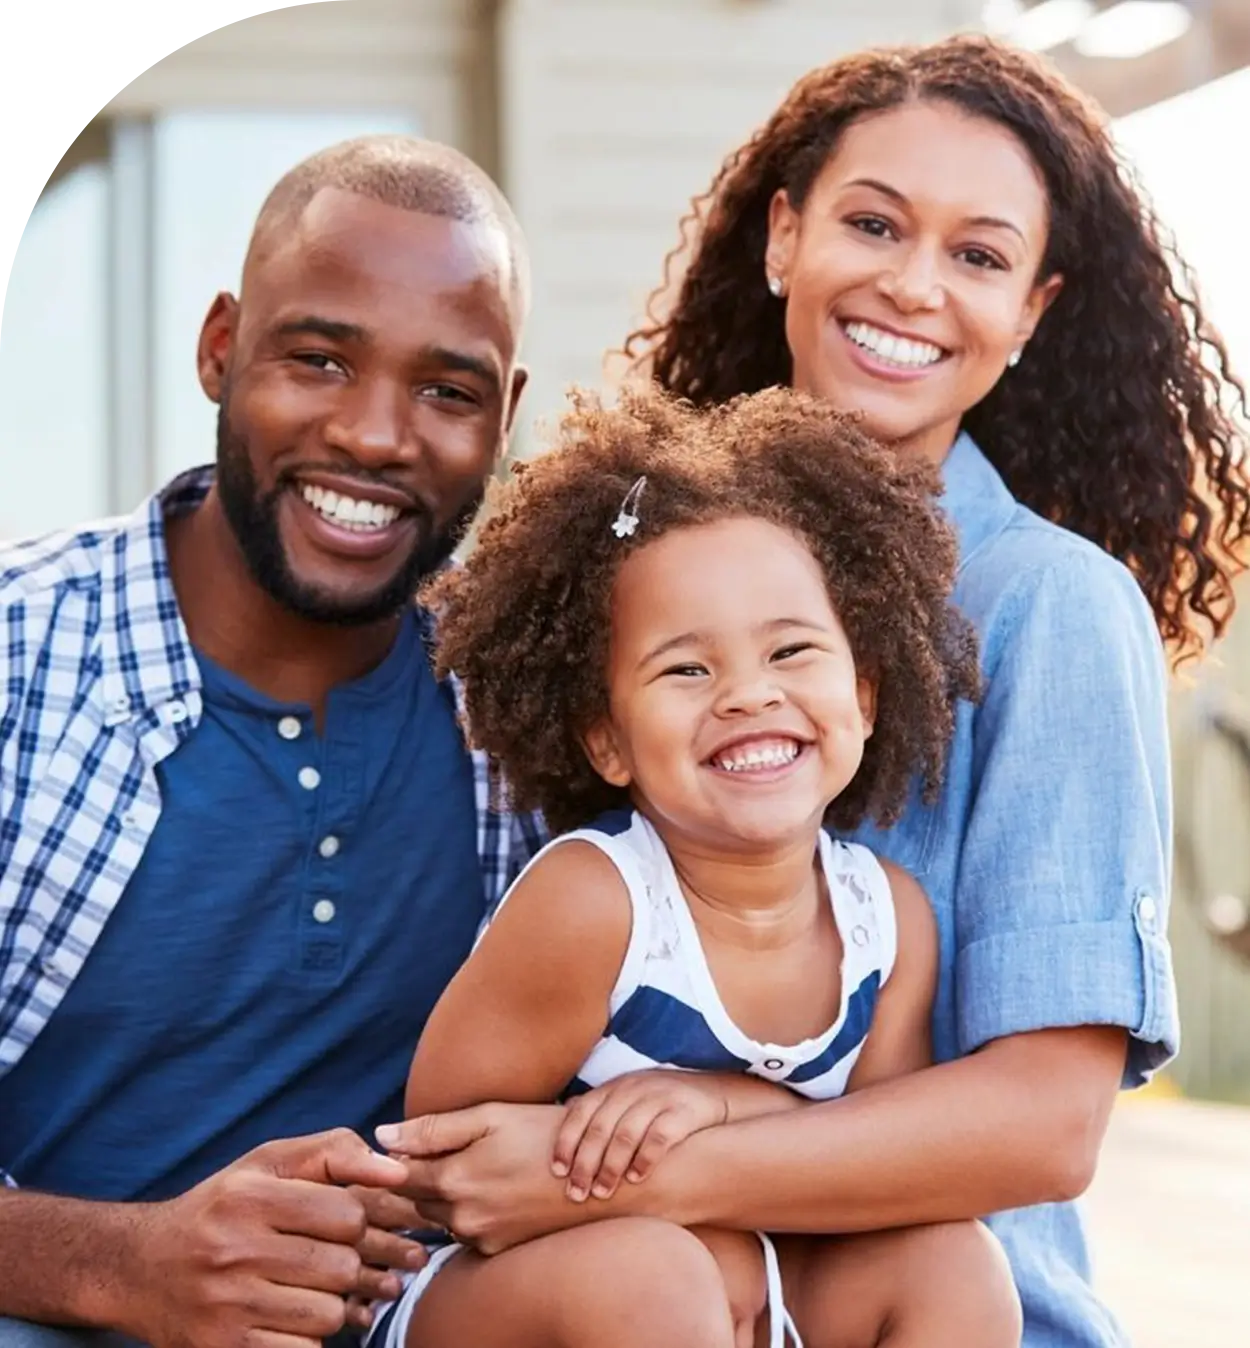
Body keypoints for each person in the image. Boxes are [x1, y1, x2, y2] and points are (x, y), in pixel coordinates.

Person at [375, 34, 1250, 1348]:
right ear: (783, 237)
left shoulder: (1046, 610)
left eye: (977, 255)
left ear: (1030, 310)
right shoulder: (629, 552)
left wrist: (618, 1164)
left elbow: (1045, 1121)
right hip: (627, 1291)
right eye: (872, 222)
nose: (911, 285)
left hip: (925, 1303)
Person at [0, 135, 548, 1348]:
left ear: (504, 417)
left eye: (446, 391)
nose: (372, 435)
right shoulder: (21, 660)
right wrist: (128, 1266)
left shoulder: (530, 712)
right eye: (317, 359)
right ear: (218, 348)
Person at [369, 383, 1016, 1348]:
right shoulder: (597, 902)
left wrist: (719, 1103)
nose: (750, 695)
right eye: (686, 669)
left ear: (866, 694)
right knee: (653, 1274)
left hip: (754, 1295)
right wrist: (657, 1206)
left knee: (954, 1261)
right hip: (516, 1306)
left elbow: (879, 1168)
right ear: (607, 742)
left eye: (792, 651)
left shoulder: (889, 923)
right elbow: (448, 1161)